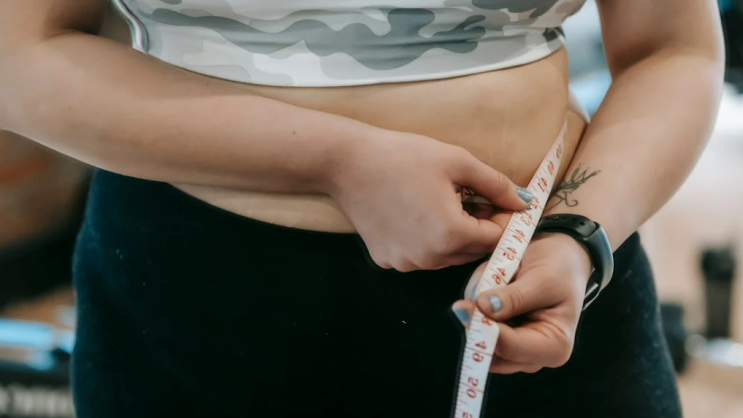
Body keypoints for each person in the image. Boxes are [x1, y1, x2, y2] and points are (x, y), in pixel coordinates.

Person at [0, 1, 723, 417]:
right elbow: (19, 56)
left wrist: (577, 236)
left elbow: (672, 50)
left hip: (548, 291)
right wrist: (338, 161)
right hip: (203, 309)